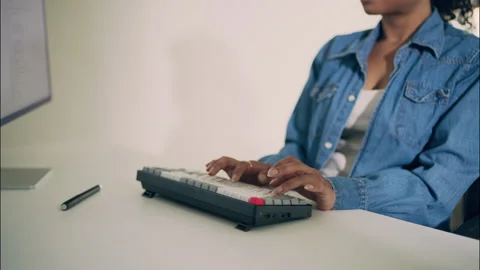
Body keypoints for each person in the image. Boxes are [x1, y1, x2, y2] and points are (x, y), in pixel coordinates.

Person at [205, 0, 479, 230]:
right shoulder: (336, 51)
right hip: (308, 220)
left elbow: (438, 187)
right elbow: (297, 146)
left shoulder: (470, 60)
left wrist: (337, 192)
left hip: (395, 239)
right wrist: (270, 173)